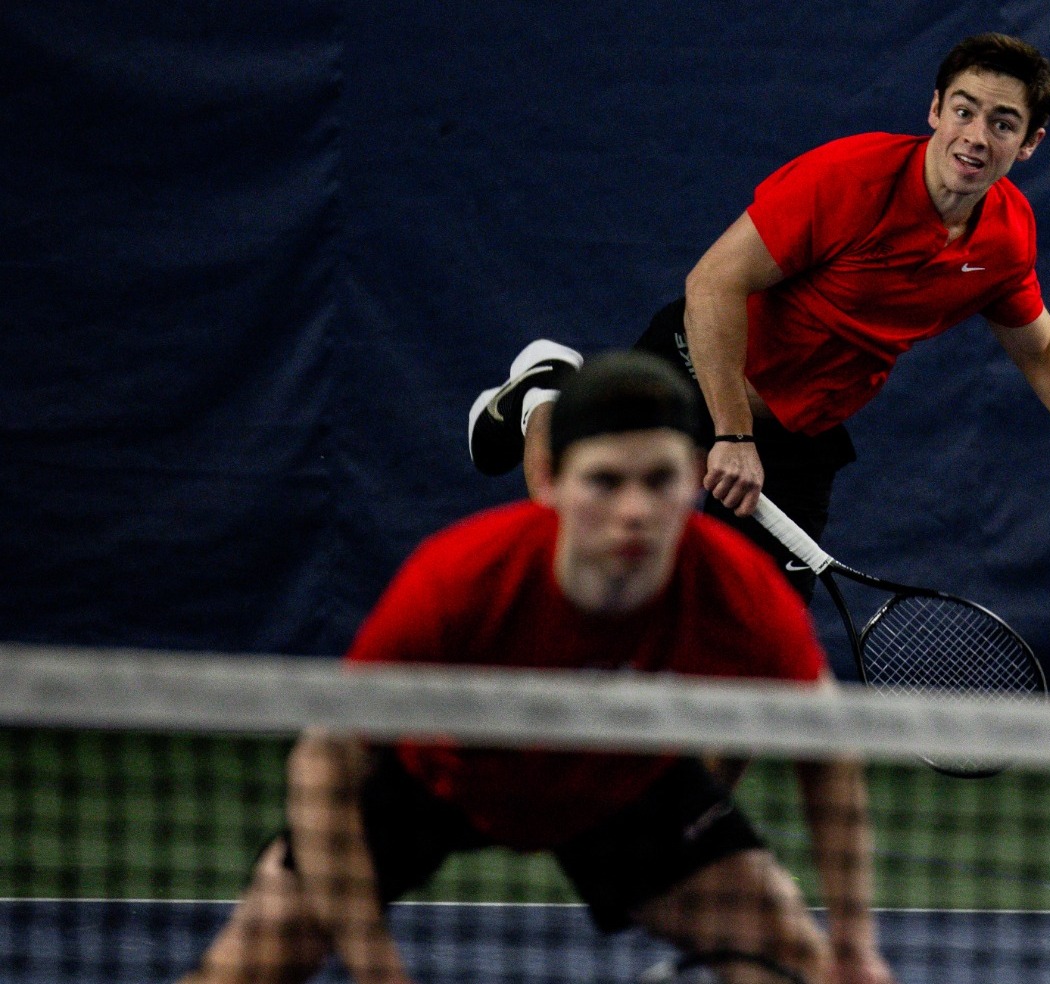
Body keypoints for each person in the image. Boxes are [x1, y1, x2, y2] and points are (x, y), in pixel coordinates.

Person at [183, 352, 895, 984]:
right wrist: (376, 969)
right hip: (439, 779)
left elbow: (825, 745)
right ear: (551, 482)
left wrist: (855, 945)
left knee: (791, 956)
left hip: (619, 783)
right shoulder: (461, 579)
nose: (634, 513)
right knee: (250, 962)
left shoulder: (732, 584)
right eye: (604, 482)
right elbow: (322, 761)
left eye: (660, 480)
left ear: (695, 479)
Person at [467, 33, 1050, 598]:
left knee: (756, 631)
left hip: (799, 429)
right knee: (577, 542)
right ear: (935, 110)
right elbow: (713, 282)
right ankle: (545, 402)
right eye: (964, 110)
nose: (976, 136)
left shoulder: (1006, 236)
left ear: (1030, 142)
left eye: (1002, 123)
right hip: (698, 367)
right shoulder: (848, 180)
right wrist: (729, 434)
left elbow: (1039, 349)